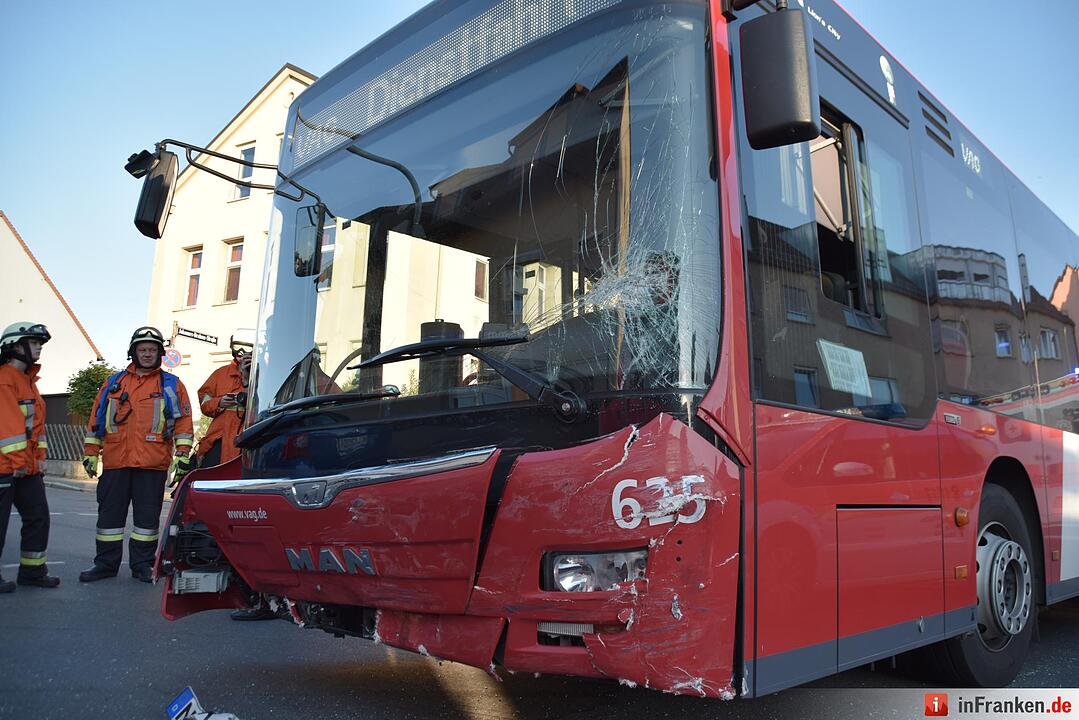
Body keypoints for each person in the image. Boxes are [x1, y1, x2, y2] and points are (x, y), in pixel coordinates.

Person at [78, 326, 194, 583]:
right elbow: (97, 418)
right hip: (115, 461)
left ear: (160, 353)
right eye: (143, 349)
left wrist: (183, 455)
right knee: (109, 518)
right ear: (133, 352)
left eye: (152, 349)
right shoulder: (113, 383)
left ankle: (142, 565)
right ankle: (105, 564)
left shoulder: (171, 385)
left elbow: (184, 422)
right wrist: (91, 452)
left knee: (146, 521)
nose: (148, 354)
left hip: (152, 463)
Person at [0, 322, 60, 592]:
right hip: (7, 466)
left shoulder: (28, 382)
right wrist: (19, 462)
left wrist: (39, 459)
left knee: (38, 517)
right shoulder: (5, 379)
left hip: (26, 467)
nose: (39, 348)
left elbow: (35, 428)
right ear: (14, 346)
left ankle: (33, 572)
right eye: (34, 343)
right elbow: (8, 428)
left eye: (40, 344)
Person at [195, 330, 253, 468]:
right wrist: (219, 402)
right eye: (237, 346)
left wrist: (247, 380)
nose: (241, 351)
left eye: (247, 348)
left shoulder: (262, 374)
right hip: (217, 439)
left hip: (248, 439)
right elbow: (205, 404)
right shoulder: (220, 374)